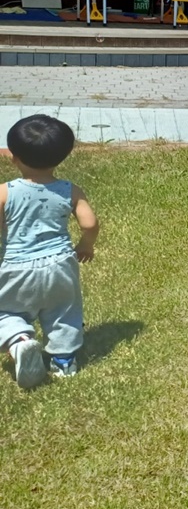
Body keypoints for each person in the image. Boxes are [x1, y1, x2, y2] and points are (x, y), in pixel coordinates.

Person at [0, 115, 99, 387]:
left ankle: (19, 340)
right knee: (63, 311)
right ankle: (64, 361)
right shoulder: (70, 190)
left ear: (14, 158)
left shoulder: (5, 192)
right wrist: (85, 245)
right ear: (62, 157)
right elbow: (90, 223)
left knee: (6, 311)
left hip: (17, 265)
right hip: (61, 264)